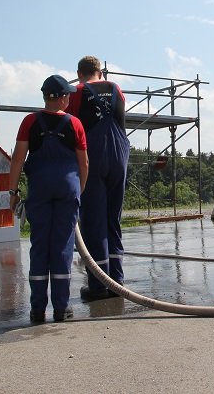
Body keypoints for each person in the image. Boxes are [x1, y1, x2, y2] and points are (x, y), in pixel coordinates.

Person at [9, 75, 89, 323]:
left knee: (40, 244)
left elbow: (18, 159)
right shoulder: (75, 124)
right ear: (64, 98)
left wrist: (13, 193)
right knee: (63, 245)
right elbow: (83, 162)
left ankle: (37, 309)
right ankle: (62, 308)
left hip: (39, 187)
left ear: (45, 97)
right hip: (67, 187)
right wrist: (79, 190)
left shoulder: (30, 122)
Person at [66, 56, 131, 300]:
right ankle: (117, 281)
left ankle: (98, 284)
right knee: (113, 219)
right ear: (100, 72)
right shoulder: (117, 90)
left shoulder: (76, 92)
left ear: (79, 73)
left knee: (93, 221)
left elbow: (68, 126)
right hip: (119, 156)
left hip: (93, 155)